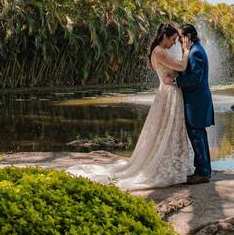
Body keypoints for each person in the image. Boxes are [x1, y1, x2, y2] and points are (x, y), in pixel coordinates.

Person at [66, 23, 193, 190]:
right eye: (173, 39)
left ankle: (172, 162)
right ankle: (167, 164)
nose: (175, 43)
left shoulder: (158, 51)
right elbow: (182, 66)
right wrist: (186, 50)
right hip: (169, 94)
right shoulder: (159, 52)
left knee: (166, 130)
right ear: (165, 37)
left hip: (167, 93)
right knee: (169, 129)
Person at [176, 24, 214, 184]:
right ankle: (203, 170)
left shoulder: (195, 52)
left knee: (197, 136)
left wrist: (177, 81)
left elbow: (196, 78)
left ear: (188, 37)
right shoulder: (195, 49)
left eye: (180, 37)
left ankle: (203, 173)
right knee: (199, 135)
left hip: (196, 101)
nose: (179, 41)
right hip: (197, 100)